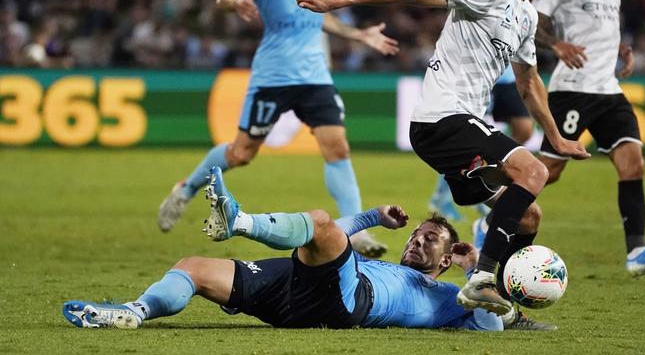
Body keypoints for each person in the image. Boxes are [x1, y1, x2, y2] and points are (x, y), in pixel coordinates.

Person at [296, 0, 590, 315]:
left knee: (528, 217)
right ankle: (482, 278)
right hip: (441, 119)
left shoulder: (524, 15)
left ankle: (502, 309)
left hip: (461, 125)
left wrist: (556, 137)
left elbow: (528, 82)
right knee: (534, 171)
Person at [157, 0, 399, 258]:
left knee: (337, 147)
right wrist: (234, 1)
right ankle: (186, 189)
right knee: (240, 154)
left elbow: (316, 14)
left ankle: (356, 230)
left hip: (315, 75)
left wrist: (356, 33)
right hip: (273, 76)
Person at [63, 168, 550, 331]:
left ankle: (240, 220)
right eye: (417, 234)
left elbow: (491, 321)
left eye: (431, 240)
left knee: (318, 224)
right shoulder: (370, 261)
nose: (418, 239)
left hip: (350, 302)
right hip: (299, 293)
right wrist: (371, 218)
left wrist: (471, 271)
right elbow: (324, 235)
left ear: (446, 259)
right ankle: (132, 311)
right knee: (193, 267)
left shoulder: (451, 299)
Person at [533, 0, 645, 277]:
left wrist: (619, 47)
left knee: (633, 164)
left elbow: (598, 26)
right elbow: (533, 24)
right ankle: (495, 219)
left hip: (609, 90)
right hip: (571, 91)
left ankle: (636, 251)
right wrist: (557, 46)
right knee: (548, 172)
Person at [429, 0, 534, 223]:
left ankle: (481, 180)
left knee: (524, 130)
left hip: (504, 74)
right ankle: (450, 193)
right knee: (470, 143)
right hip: (474, 79)